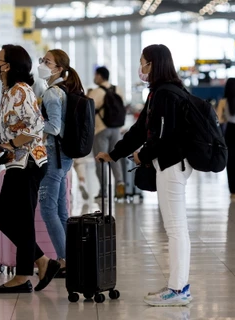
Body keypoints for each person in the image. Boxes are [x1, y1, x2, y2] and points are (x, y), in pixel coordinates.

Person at [96, 44, 193, 306]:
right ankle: (178, 285)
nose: (141, 68)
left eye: (144, 63)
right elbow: (140, 130)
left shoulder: (165, 94)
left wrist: (143, 155)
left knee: (175, 228)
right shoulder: (163, 92)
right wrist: (114, 154)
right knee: (175, 227)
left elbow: (166, 136)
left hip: (172, 165)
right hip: (172, 164)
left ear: (155, 64)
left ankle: (178, 288)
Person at [0, 44, 60, 294]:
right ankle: (42, 261)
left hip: (28, 163)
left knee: (18, 220)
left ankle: (23, 276)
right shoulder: (8, 90)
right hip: (17, 162)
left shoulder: (21, 90)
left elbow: (34, 128)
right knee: (5, 218)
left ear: (9, 65)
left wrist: (8, 144)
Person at [37, 49, 85, 277]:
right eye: (42, 60)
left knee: (48, 210)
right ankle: (70, 258)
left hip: (54, 157)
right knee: (60, 209)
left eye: (47, 62)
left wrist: (32, 126)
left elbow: (54, 127)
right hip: (65, 156)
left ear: (58, 69)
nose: (42, 64)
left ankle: (65, 261)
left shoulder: (52, 93)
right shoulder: (66, 89)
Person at [88, 67, 125, 199]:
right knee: (115, 157)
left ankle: (103, 191)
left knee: (101, 160)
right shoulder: (117, 89)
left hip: (101, 129)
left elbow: (88, 110)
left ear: (99, 76)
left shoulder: (96, 92)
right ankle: (120, 183)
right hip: (116, 129)